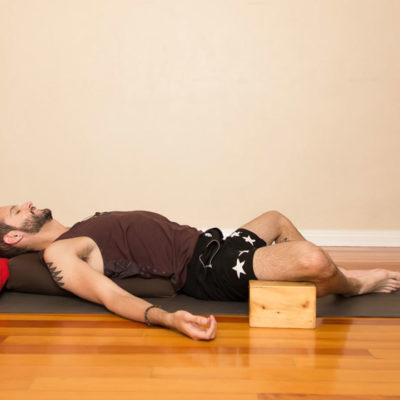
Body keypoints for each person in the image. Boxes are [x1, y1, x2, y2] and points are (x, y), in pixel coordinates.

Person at [0, 201, 399, 340]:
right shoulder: (61, 253)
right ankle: (351, 285)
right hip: (208, 271)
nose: (29, 204)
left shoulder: (81, 227)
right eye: (18, 211)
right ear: (14, 238)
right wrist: (169, 320)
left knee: (275, 219)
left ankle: (323, 276)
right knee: (311, 260)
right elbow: (110, 295)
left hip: (214, 245)